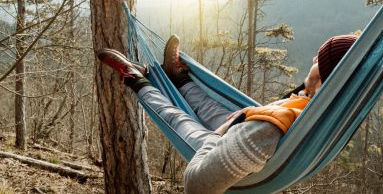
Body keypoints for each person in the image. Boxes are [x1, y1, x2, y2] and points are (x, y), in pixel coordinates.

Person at [97, 34, 356, 194]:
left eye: (317, 61)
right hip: (246, 127)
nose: (312, 58)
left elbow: (196, 186)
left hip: (224, 145)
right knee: (209, 107)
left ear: (325, 78)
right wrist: (242, 118)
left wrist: (219, 134)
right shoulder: (314, 104)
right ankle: (177, 78)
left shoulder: (265, 133)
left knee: (178, 118)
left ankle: (135, 78)